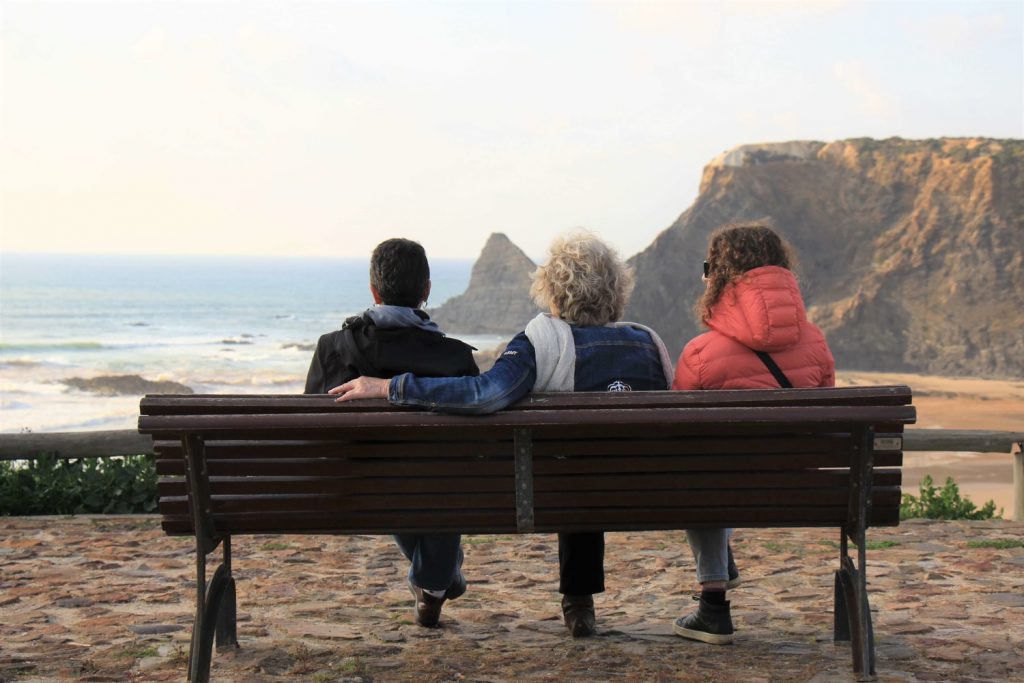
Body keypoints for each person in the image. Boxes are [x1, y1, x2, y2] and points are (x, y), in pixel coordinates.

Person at [331, 230, 674, 638]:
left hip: (554, 494)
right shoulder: (648, 341)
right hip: (648, 492)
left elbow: (483, 394)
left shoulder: (541, 340)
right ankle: (579, 599)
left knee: (575, 467)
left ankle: (455, 578)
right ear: (617, 286)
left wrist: (392, 387)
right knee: (588, 464)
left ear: (552, 288)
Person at [672, 223, 835, 645]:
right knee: (714, 476)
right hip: (799, 487)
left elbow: (675, 434)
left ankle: (713, 607)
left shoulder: (700, 353)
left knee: (702, 476)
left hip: (720, 490)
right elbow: (827, 418)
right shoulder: (816, 343)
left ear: (718, 278)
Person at [304, 237, 479, 628]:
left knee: (388, 478)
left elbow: (314, 429)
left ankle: (436, 577)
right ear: (427, 290)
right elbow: (476, 441)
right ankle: (434, 580)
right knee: (440, 481)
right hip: (442, 490)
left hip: (362, 488)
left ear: (373, 291)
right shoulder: (455, 357)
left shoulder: (332, 348)